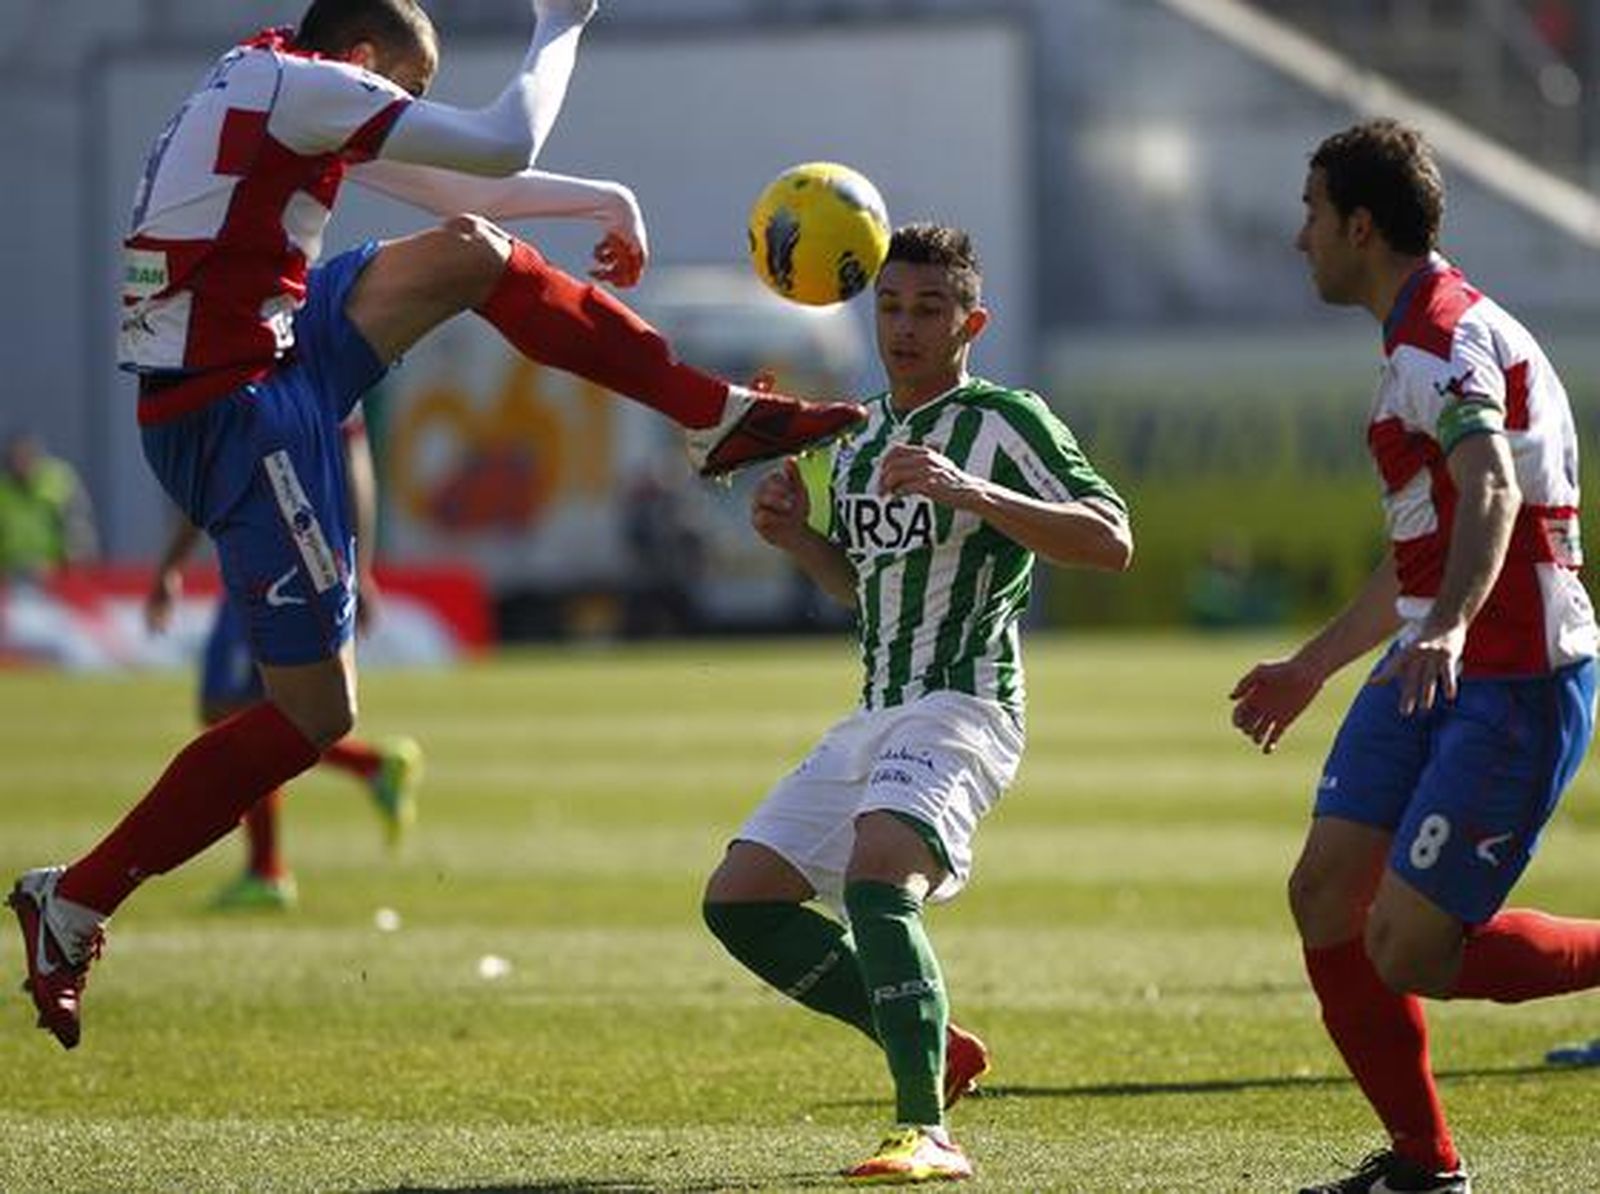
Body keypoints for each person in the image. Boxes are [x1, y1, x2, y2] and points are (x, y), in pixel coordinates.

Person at [8, 0, 865, 1051]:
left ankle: (711, 416)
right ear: (362, 59)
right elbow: (497, 137)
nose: (403, 111)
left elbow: (454, 184)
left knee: (470, 251)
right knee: (315, 716)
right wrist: (562, 24)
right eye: (403, 91)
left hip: (267, 345)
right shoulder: (305, 88)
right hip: (233, 407)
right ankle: (77, 901)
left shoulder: (269, 78)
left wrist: (600, 196)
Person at [702, 224, 1133, 1184]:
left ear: (970, 321)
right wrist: (798, 541)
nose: (904, 325)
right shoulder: (857, 438)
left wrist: (971, 489)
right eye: (890, 305)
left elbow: (1111, 539)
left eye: (929, 308)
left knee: (878, 876)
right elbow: (864, 589)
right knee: (740, 902)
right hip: (874, 709)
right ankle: (934, 1041)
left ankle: (924, 1129)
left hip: (965, 705)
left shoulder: (1004, 419)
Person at [1229, 119, 1600, 1194]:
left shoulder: (1440, 339)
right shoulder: (1420, 340)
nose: (1299, 240)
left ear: (1359, 225)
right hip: (1435, 662)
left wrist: (1442, 626)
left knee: (1410, 951)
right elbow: (1419, 557)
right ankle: (1420, 1166)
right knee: (1322, 895)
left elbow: (1488, 487)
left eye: (1311, 216)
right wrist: (1313, 665)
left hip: (1514, 676)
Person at [144, 416, 422, 910]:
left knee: (236, 709)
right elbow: (358, 469)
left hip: (268, 559)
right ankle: (368, 770)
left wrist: (170, 564)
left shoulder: (255, 369)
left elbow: (211, 479)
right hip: (296, 553)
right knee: (246, 710)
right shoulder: (326, 361)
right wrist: (362, 564)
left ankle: (269, 867)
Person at [0, 430, 99, 581]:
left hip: (55, 577)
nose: (21, 463)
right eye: (16, 458)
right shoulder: (3, 489)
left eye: (27, 456)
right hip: (8, 580)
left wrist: (71, 569)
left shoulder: (59, 481)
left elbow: (80, 533)